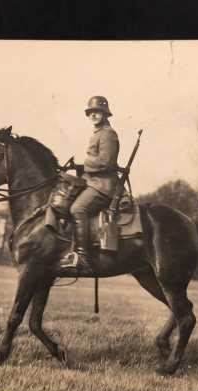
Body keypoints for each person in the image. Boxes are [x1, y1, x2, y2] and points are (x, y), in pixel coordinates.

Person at [60, 96, 120, 274]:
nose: (93, 115)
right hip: (93, 183)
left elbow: (106, 162)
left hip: (103, 186)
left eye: (97, 112)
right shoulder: (98, 134)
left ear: (104, 114)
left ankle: (83, 257)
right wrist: (77, 166)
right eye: (91, 112)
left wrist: (83, 163)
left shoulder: (108, 134)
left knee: (77, 209)